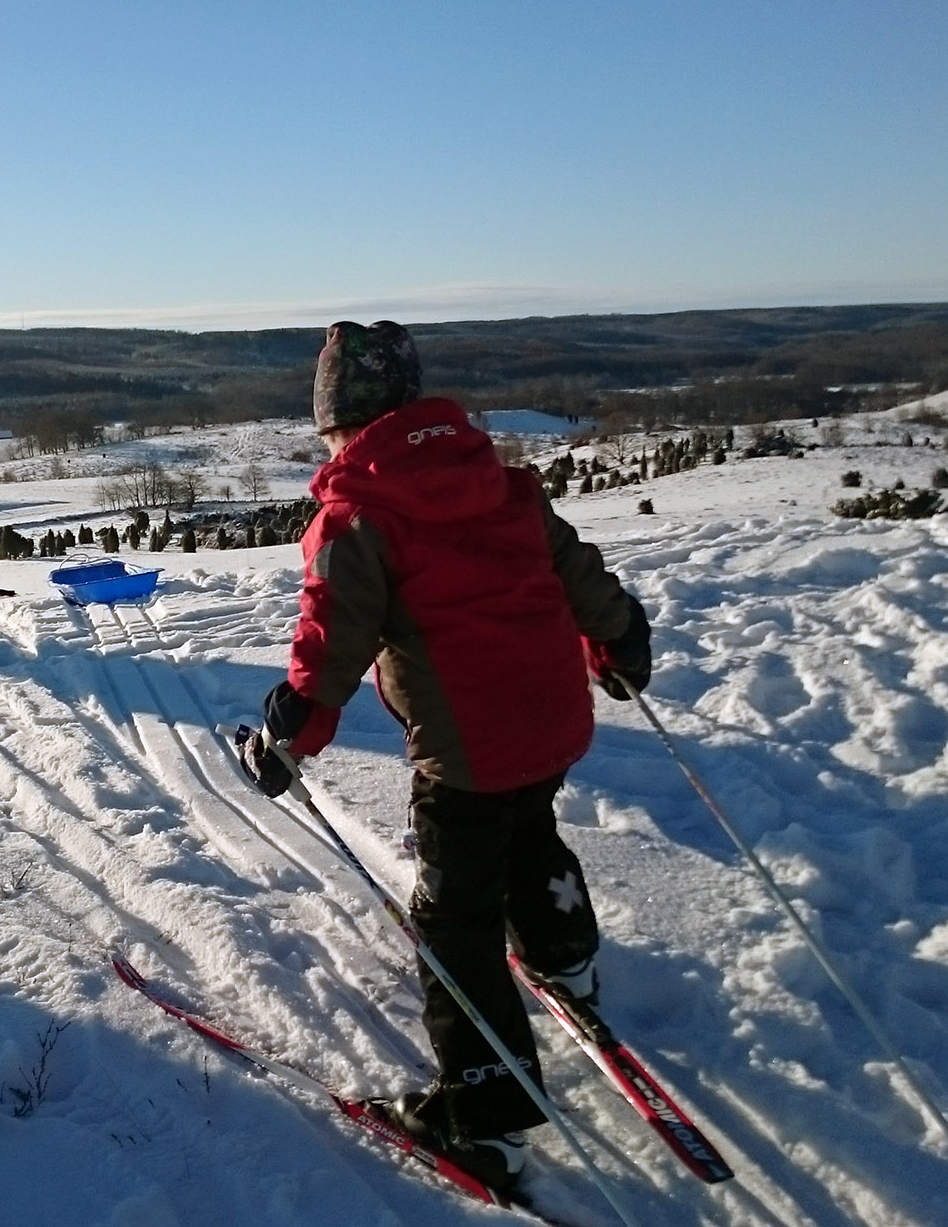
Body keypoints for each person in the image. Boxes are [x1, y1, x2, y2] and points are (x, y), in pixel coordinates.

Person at [248, 320, 651, 1197]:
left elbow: (331, 644)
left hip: (466, 751)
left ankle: (487, 1122)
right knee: (528, 830)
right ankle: (565, 958)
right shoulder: (501, 482)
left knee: (454, 922)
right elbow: (575, 570)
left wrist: (290, 734)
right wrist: (619, 639)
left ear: (340, 420)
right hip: (551, 724)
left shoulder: (358, 517)